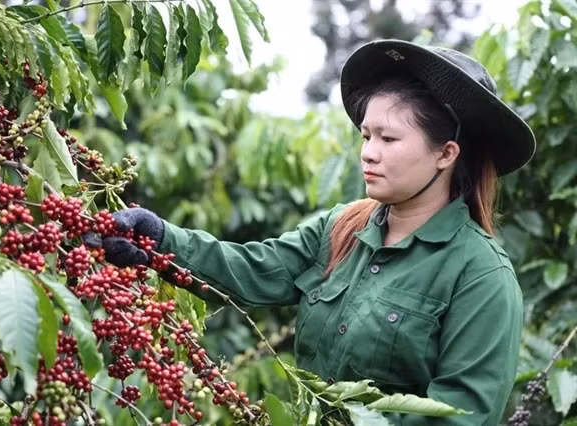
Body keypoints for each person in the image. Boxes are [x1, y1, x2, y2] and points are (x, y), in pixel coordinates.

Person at [85, 39, 536, 425]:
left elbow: (461, 415)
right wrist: (159, 238)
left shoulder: (481, 277)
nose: (369, 154)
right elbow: (252, 270)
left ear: (446, 154)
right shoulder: (341, 227)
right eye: (365, 137)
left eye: (389, 139)